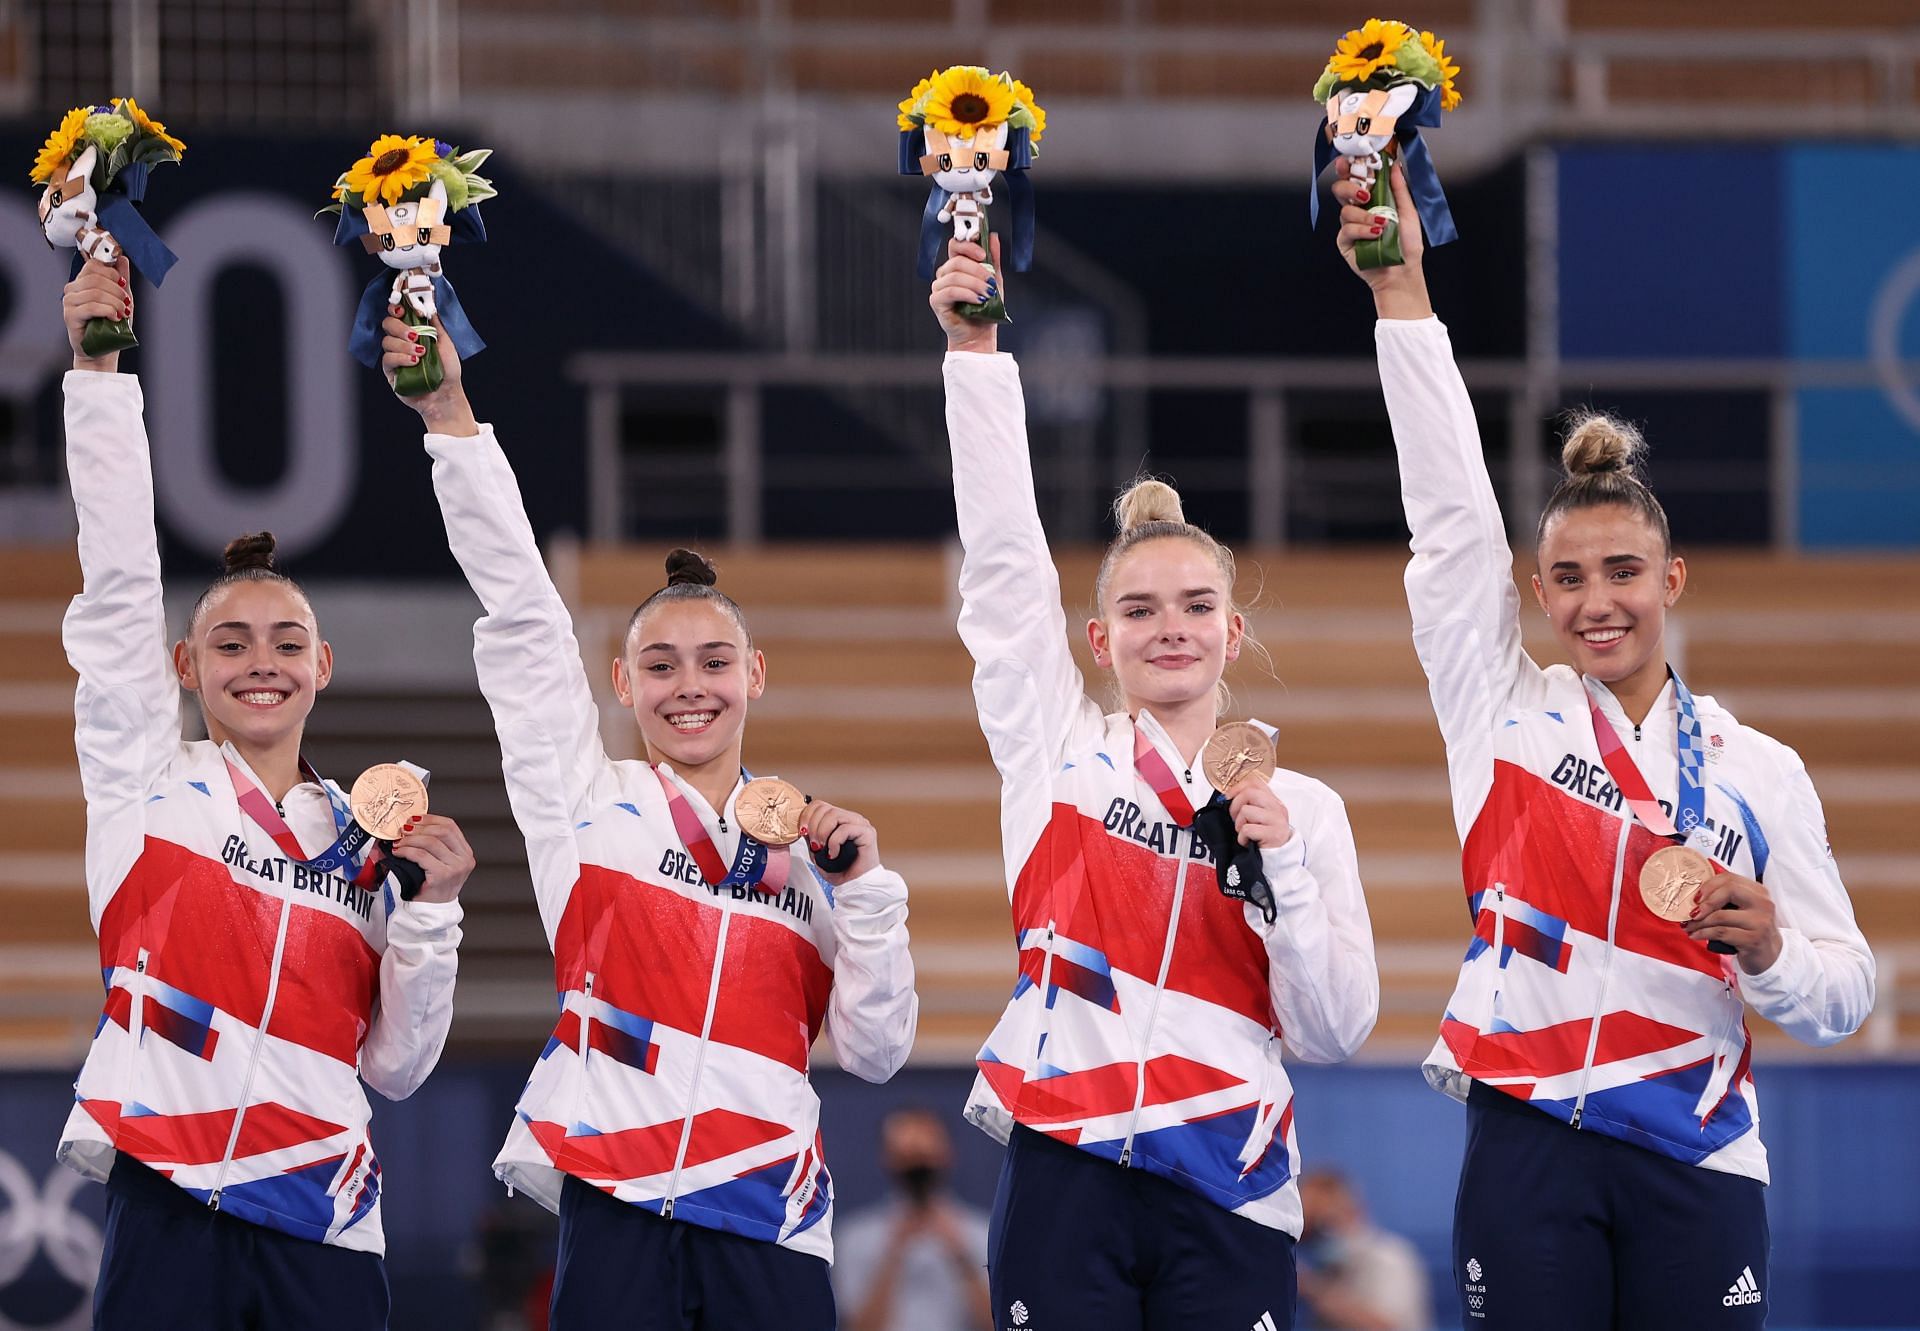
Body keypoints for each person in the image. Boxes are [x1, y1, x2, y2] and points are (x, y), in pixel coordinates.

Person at [1335, 161, 1876, 1329]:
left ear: (1671, 579)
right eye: (1569, 578)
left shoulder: (1756, 768)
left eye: (1624, 572)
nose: (1597, 602)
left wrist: (1775, 943)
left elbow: (1848, 997)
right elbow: (1445, 518)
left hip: (1699, 1158)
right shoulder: (1501, 711)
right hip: (1531, 1139)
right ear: (1535, 589)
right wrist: (1403, 298)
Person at [383, 312, 918, 1330]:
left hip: (772, 1213)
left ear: (754, 674)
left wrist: (869, 897)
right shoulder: (586, 808)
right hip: (617, 1200)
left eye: (715, 662)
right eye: (662, 666)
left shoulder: (813, 853)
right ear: (623, 682)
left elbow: (879, 1052)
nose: (690, 688)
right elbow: (525, 622)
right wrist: (448, 415)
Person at [932, 238, 1381, 1331]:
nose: (1168, 627)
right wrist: (978, 352)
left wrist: (1283, 872)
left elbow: (1335, 1029)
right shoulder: (1057, 756)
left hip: (1231, 1179)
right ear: (1097, 638)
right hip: (1066, 1165)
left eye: (1193, 606)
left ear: (1233, 631)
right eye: (1139, 609)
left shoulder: (1305, 808)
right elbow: (1000, 567)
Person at [57, 258, 472, 1330]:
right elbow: (116, 590)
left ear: (322, 664)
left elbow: (398, 1063)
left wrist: (429, 919)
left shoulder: (365, 842)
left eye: (286, 642)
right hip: (172, 1191)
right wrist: (99, 374)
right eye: (228, 641)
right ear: (186, 668)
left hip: (327, 1216)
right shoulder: (150, 785)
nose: (260, 661)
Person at [831, 1107, 991, 1331]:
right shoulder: (855, 1237)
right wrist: (894, 1253)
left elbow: (998, 1323)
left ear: (946, 1154)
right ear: (888, 1157)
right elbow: (855, 1326)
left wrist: (960, 1256)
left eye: (924, 1156)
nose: (917, 1166)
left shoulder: (983, 1235)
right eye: (907, 1156)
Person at [1296, 1170, 1430, 1331]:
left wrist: (1313, 1288)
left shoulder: (1391, 1258)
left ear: (1353, 1211)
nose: (1319, 1235)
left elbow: (1387, 1326)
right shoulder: (1325, 1267)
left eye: (1324, 1222)